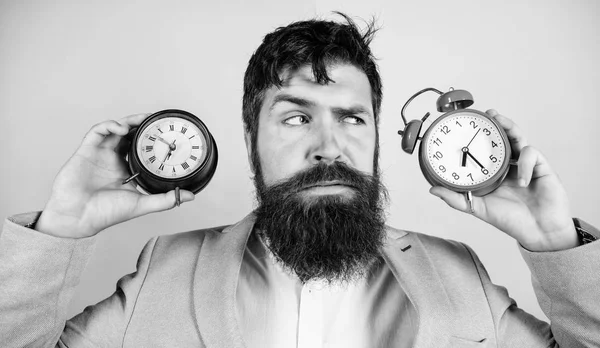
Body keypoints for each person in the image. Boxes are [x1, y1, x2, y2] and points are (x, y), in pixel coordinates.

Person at [1, 12, 599, 348]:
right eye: (294, 117)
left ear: (375, 135)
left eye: (351, 118)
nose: (327, 147)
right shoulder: (163, 268)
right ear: (250, 140)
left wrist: (555, 245)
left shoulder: (459, 273)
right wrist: (61, 229)